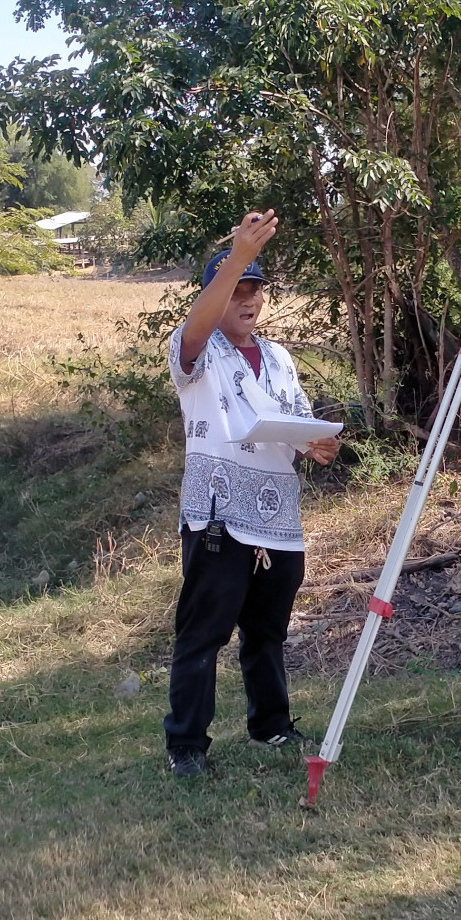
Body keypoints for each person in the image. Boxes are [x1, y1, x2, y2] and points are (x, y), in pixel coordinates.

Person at [163, 209, 341, 777]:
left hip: (278, 513)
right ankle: (186, 746)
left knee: (268, 630)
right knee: (204, 631)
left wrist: (317, 445)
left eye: (254, 291)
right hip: (219, 511)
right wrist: (236, 253)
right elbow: (196, 328)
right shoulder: (196, 353)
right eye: (235, 291)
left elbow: (296, 424)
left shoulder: (281, 359)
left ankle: (271, 725)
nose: (246, 301)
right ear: (216, 297)